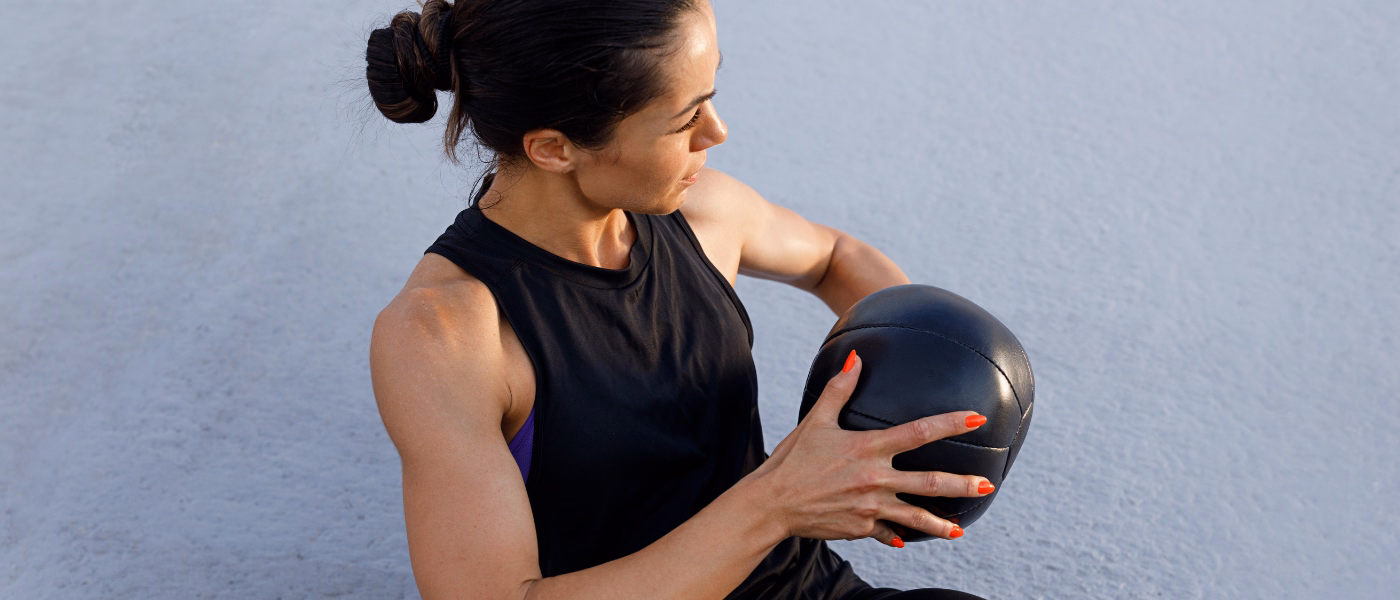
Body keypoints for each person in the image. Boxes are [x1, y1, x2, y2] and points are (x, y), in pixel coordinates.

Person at [366, 1, 991, 598]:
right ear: (554, 148)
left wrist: (932, 360)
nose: (717, 133)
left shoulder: (701, 214)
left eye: (710, 95)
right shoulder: (444, 335)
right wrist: (779, 500)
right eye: (685, 119)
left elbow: (834, 257)